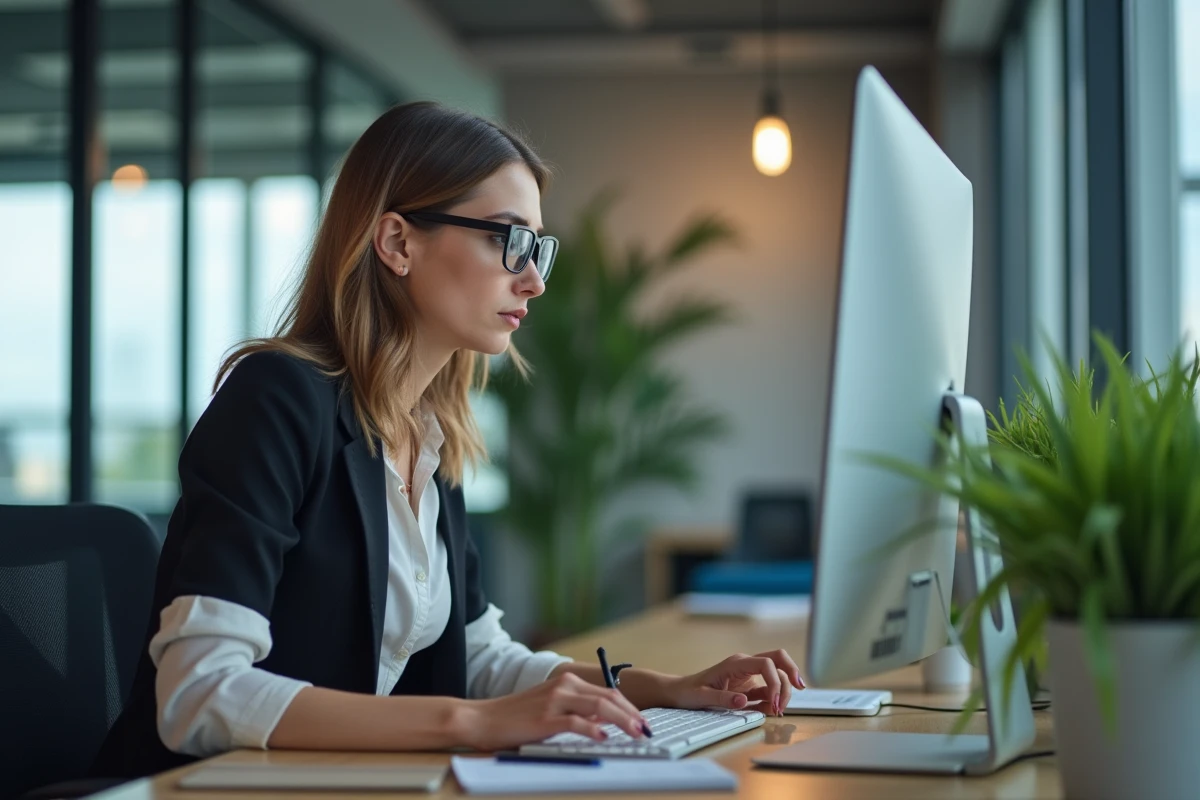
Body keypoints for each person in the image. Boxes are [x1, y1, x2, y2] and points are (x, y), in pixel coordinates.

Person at [92, 101, 805, 779]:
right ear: (398, 242)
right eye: (509, 240)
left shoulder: (429, 432)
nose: (533, 281)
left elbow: (479, 655)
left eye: (538, 249)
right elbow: (199, 690)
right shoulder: (277, 398)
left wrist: (662, 688)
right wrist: (470, 723)